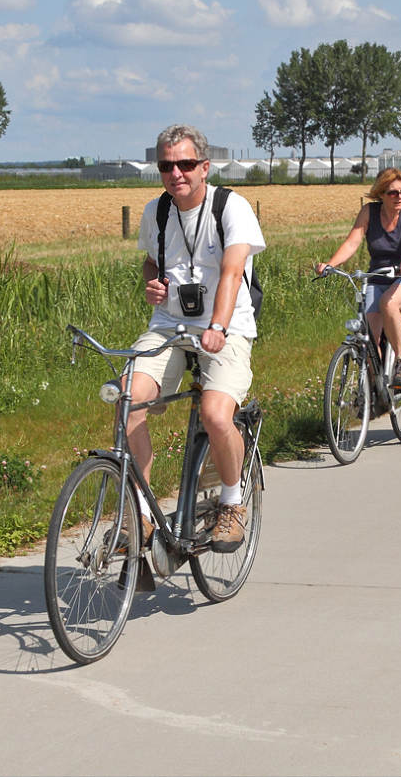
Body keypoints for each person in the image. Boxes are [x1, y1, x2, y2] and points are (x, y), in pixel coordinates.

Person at [129, 124, 265, 554]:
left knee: (216, 414)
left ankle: (230, 502)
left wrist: (218, 327)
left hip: (227, 326)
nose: (176, 173)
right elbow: (153, 263)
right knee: (127, 399)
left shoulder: (231, 207)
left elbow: (231, 272)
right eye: (167, 165)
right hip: (170, 325)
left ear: (204, 167)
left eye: (186, 164)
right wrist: (152, 284)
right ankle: (142, 514)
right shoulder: (157, 211)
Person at [316, 168, 401, 389]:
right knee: (368, 338)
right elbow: (351, 242)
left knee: (389, 303)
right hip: (377, 278)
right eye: (393, 193)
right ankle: (375, 392)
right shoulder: (369, 212)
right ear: (380, 193)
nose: (399, 197)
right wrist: (330, 264)